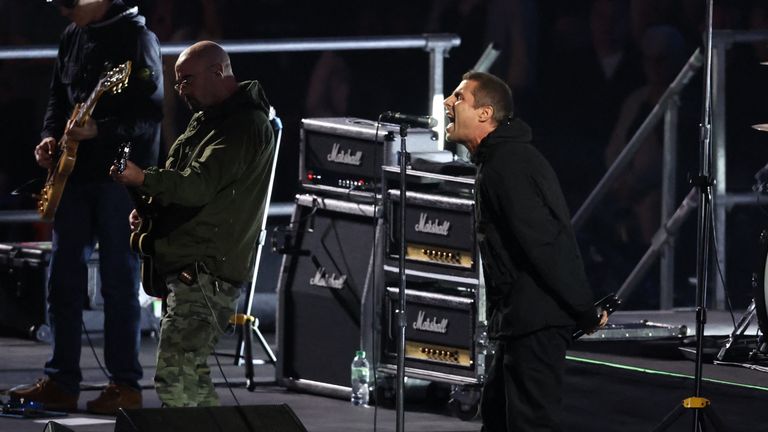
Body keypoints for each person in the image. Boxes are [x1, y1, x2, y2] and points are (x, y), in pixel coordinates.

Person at [9, 0, 163, 415]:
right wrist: (49, 138)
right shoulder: (72, 36)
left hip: (117, 176)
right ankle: (61, 379)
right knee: (61, 279)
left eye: (71, 2)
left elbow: (151, 115)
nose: (62, 9)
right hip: (74, 175)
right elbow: (59, 98)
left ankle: (124, 384)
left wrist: (103, 130)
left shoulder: (137, 39)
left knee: (118, 280)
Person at [110, 40, 276, 407]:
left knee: (177, 375)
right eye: (177, 82)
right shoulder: (208, 122)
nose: (180, 90)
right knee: (189, 375)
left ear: (218, 72)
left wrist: (143, 180)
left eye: (186, 80)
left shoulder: (243, 126)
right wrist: (152, 209)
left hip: (206, 269)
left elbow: (198, 184)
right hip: (193, 265)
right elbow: (189, 183)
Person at [443, 71, 608, 431]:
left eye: (458, 98)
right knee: (500, 420)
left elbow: (546, 244)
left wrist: (584, 309)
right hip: (519, 321)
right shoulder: (500, 161)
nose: (446, 104)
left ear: (485, 113)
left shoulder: (509, 165)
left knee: (529, 424)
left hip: (535, 322)